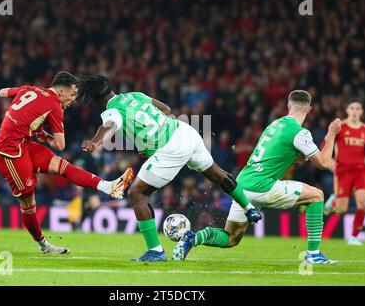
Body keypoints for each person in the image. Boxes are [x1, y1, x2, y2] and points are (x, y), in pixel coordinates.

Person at [78, 75, 262, 262]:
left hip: (171, 148)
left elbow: (108, 126)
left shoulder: (112, 110)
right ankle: (249, 208)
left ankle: (155, 251)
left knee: (136, 194)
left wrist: (94, 143)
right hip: (185, 132)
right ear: (111, 88)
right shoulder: (135, 95)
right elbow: (166, 109)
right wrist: (150, 140)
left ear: (96, 100)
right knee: (215, 173)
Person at [174, 90, 342, 264]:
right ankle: (313, 254)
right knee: (317, 196)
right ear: (310, 109)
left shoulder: (275, 125)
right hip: (263, 186)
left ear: (288, 106)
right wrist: (331, 133)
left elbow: (286, 155)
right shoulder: (300, 132)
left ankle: (192, 238)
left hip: (241, 185)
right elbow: (323, 163)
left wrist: (300, 157)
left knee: (231, 237)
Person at [0, 72, 133, 254]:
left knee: (63, 166)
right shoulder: (54, 105)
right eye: (73, 94)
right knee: (28, 203)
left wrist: (24, 121)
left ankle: (109, 187)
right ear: (60, 91)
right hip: (9, 153)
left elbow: (3, 92)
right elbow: (59, 144)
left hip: (25, 144)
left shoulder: (32, 89)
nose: (74, 99)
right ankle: (44, 246)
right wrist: (46, 136)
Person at [324, 98, 365, 245]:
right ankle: (334, 199)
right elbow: (326, 143)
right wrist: (328, 159)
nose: (355, 111)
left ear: (362, 112)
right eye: (352, 108)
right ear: (347, 111)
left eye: (358, 109)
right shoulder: (340, 127)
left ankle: (354, 236)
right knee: (341, 209)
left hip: (361, 171)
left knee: (362, 203)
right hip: (343, 171)